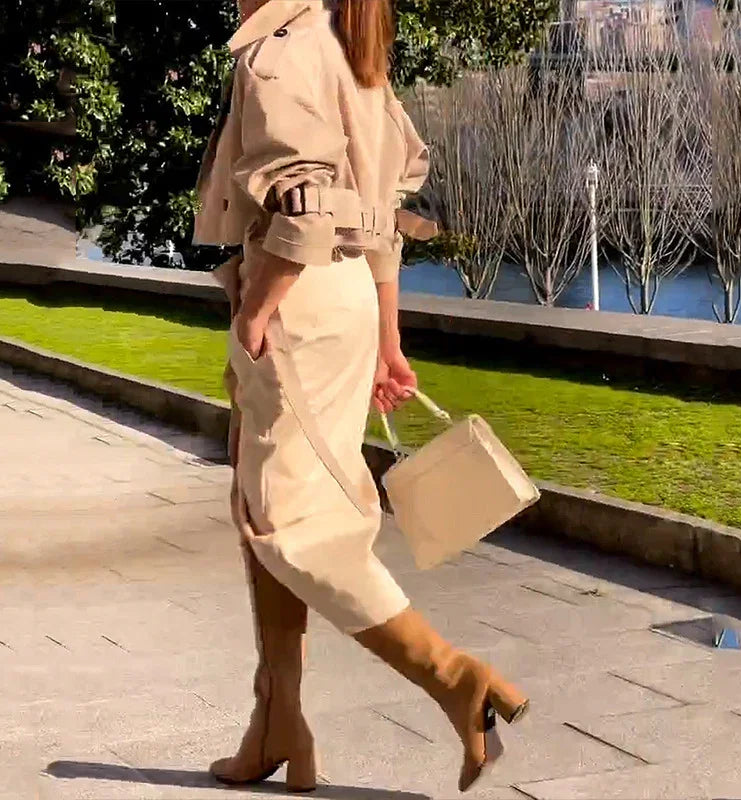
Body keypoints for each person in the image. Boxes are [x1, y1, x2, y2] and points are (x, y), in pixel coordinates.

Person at [192, 0, 529, 793]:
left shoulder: (282, 53)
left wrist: (257, 306)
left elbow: (304, 209)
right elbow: (376, 218)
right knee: (263, 508)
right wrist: (386, 336)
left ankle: (456, 679)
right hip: (340, 299)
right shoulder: (352, 48)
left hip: (296, 301)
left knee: (294, 523)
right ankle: (277, 721)